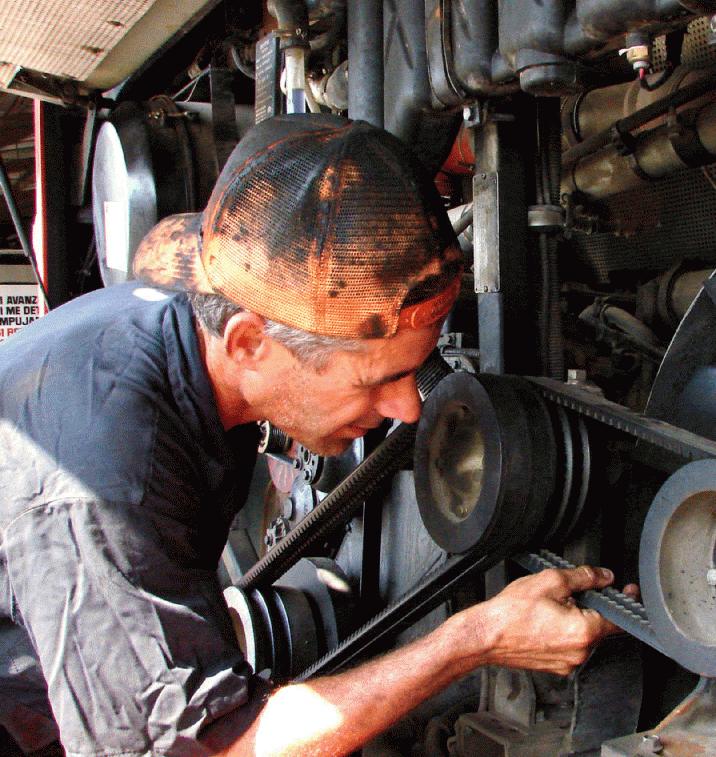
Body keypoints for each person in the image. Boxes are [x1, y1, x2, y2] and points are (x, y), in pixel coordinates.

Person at [0, 114, 626, 757]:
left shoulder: (188, 328)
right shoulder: (106, 482)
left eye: (415, 372)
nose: (409, 410)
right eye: (378, 379)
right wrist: (477, 639)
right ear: (249, 343)